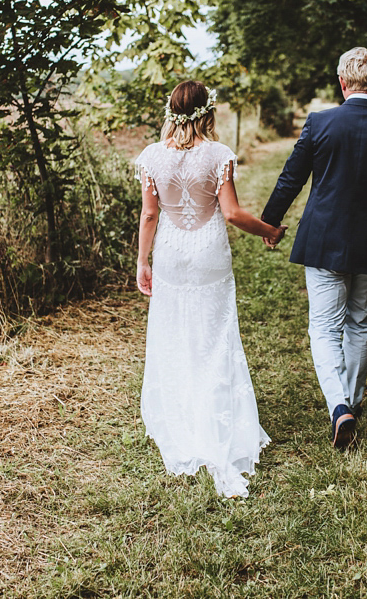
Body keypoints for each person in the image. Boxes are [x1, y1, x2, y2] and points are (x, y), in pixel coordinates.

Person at [261, 47, 367, 450]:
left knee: (323, 326)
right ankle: (349, 402)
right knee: (360, 326)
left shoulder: (321, 123)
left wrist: (270, 221)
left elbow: (291, 178)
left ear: (342, 82)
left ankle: (340, 408)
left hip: (323, 240)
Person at [134, 80, 287, 497]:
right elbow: (233, 213)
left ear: (170, 111)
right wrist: (269, 231)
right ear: (207, 112)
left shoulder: (151, 157)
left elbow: (150, 215)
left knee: (175, 331)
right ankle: (217, 419)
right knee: (215, 334)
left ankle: (183, 417)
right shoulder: (218, 156)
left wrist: (142, 261)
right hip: (208, 253)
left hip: (170, 252)